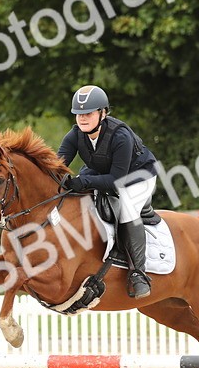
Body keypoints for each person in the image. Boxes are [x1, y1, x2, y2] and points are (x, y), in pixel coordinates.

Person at [57, 85, 159, 299]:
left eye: (88, 113)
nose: (82, 119)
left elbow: (116, 182)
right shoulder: (75, 135)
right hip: (105, 171)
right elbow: (57, 165)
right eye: (78, 114)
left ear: (103, 113)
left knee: (128, 209)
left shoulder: (120, 136)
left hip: (137, 176)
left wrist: (83, 181)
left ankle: (139, 274)